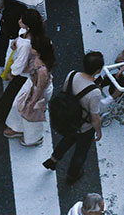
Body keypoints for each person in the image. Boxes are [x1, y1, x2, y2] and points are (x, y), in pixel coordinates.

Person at [43, 53, 105, 181]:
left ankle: (54, 159)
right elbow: (95, 117)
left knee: (67, 139)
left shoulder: (72, 75)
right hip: (83, 126)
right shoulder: (94, 93)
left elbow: (65, 93)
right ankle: (72, 174)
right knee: (81, 152)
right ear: (98, 70)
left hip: (68, 119)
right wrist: (98, 131)